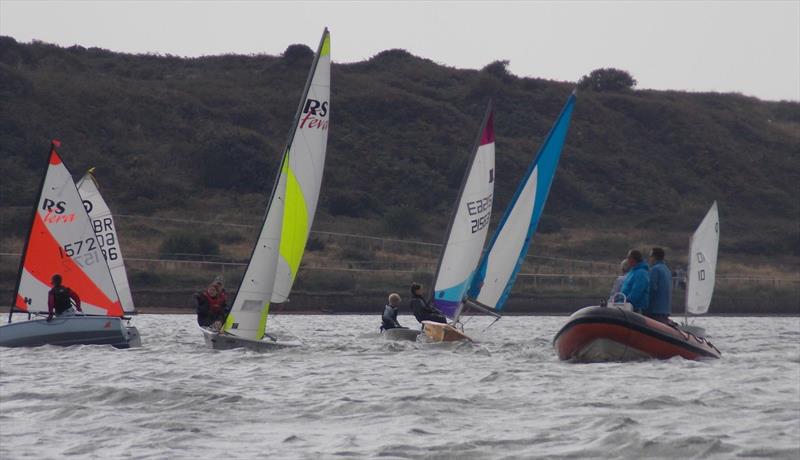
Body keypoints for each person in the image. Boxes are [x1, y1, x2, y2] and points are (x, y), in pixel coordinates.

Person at [647, 247, 673, 323]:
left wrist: (645, 307)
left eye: (650, 256)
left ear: (654, 257)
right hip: (665, 310)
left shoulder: (655, 269)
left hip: (655, 311)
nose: (649, 258)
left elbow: (651, 289)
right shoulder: (667, 270)